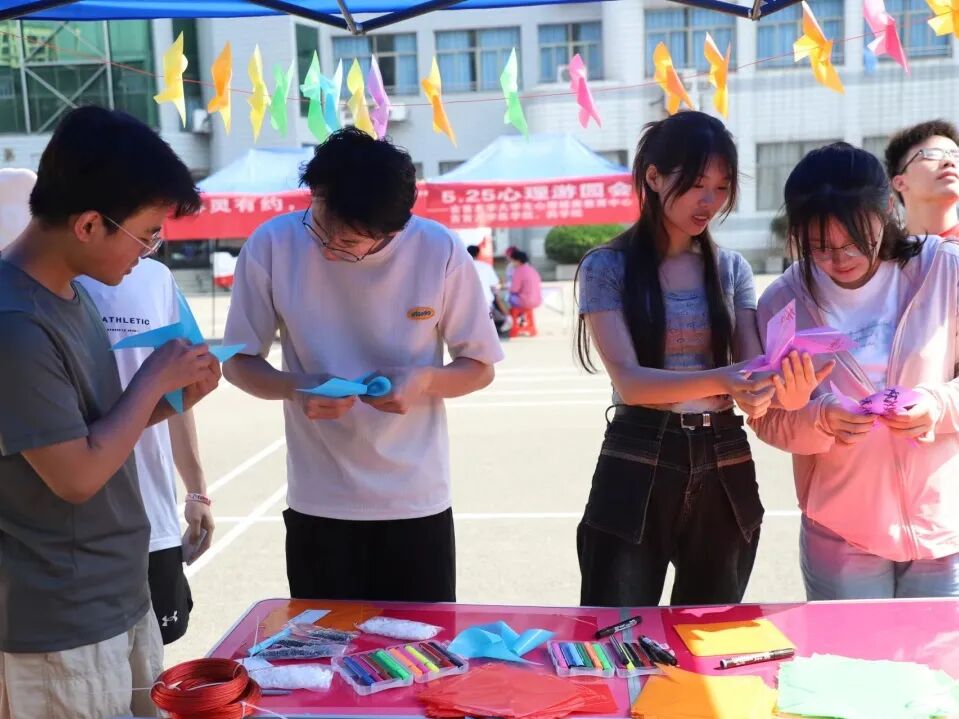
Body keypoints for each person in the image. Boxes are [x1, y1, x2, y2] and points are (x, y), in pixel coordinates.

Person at [0, 106, 219, 719]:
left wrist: (171, 400)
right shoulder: (16, 323)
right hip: (61, 625)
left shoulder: (69, 293)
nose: (148, 251)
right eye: (146, 233)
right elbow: (75, 476)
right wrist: (151, 381)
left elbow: (90, 432)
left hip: (118, 595)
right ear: (90, 224)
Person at [222, 127, 503, 603]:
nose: (330, 248)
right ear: (316, 194)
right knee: (326, 642)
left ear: (395, 230)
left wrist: (424, 380)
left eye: (352, 242)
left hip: (416, 499)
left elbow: (479, 365)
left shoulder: (438, 249)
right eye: (322, 228)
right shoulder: (273, 245)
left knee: (422, 643)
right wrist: (294, 386)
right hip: (319, 499)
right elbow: (238, 362)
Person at [574, 111, 821, 607]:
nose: (709, 202)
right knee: (618, 631)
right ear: (653, 177)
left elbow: (750, 377)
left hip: (724, 455)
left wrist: (775, 387)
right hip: (638, 451)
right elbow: (632, 383)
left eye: (721, 188)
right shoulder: (607, 267)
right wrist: (728, 379)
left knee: (710, 631)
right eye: (695, 186)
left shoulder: (731, 268)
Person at [751, 142, 959, 600]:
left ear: (887, 210)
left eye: (854, 242)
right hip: (842, 533)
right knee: (851, 648)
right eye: (819, 248)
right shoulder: (783, 302)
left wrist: (937, 406)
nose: (839, 259)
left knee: (941, 649)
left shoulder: (944, 270)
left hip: (944, 526)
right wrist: (819, 418)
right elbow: (768, 419)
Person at [78, 259, 214, 645]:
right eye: (145, 233)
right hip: (77, 524)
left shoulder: (158, 278)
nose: (145, 248)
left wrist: (197, 491)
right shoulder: (46, 278)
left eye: (154, 235)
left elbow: (179, 391)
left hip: (152, 516)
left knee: (152, 661)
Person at [884, 120, 959, 238]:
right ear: (900, 183)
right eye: (932, 154)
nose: (949, 162)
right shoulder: (881, 248)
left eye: (956, 156)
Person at [467, 243, 508, 335]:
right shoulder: (486, 266)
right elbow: (495, 285)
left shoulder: (461, 267)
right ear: (478, 254)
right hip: (485, 302)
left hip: (466, 304)